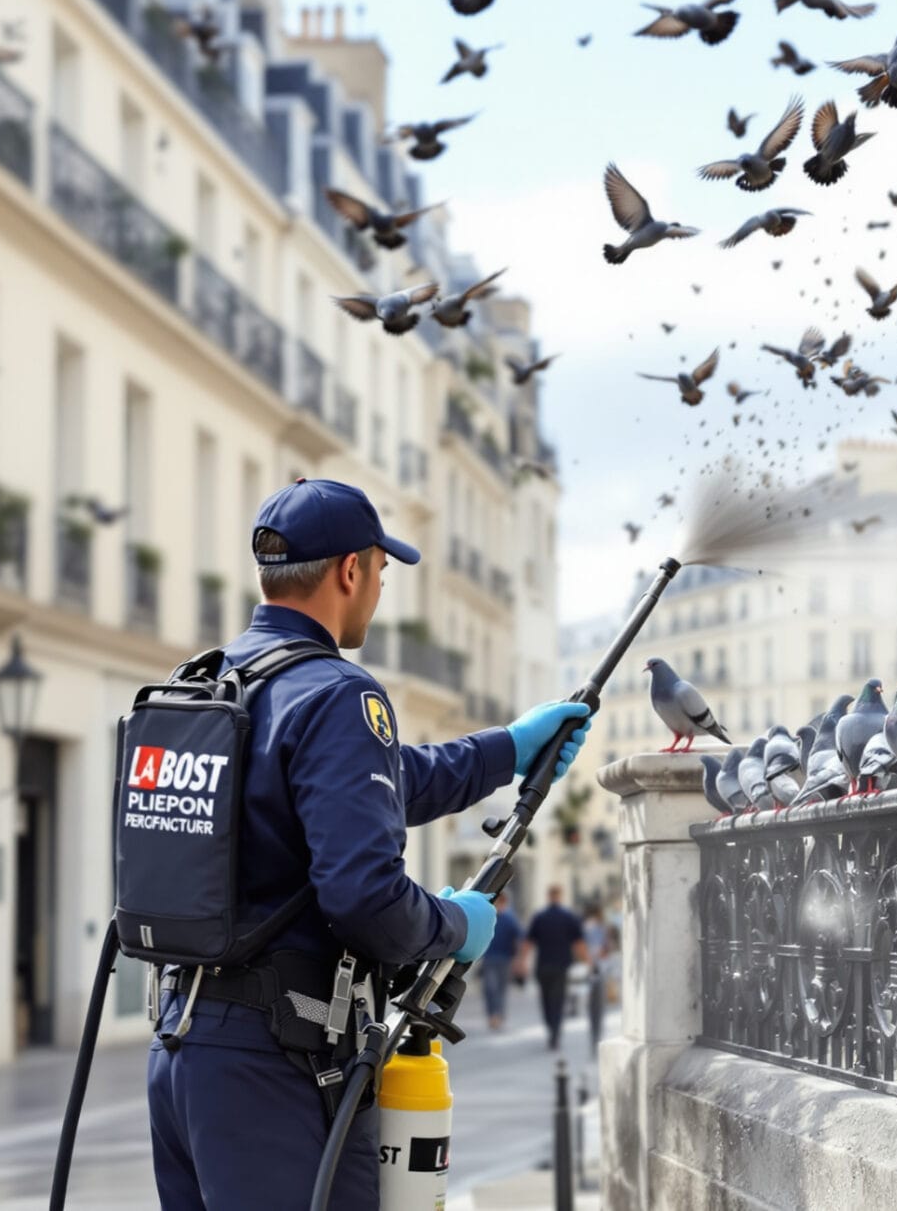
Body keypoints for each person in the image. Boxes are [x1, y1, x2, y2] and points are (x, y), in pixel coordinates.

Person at [146, 479, 594, 1211]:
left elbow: (379, 779)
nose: (382, 586)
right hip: (274, 1066)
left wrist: (508, 749)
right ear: (350, 570)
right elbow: (365, 898)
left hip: (181, 1051)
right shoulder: (336, 693)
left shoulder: (213, 683)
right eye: (383, 570)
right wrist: (455, 924)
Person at [524, 886, 588, 1052]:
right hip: (561, 966)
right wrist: (588, 961)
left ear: (548, 896)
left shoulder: (540, 917)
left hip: (543, 966)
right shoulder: (568, 917)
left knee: (546, 1001)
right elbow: (578, 943)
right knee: (558, 1001)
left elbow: (529, 942)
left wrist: (521, 961)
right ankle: (555, 1032)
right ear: (560, 896)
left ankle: (551, 1028)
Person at [481, 891, 524, 1032]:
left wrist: (518, 960)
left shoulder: (510, 919)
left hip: (505, 959)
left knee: (500, 989)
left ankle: (498, 1015)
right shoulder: (488, 917)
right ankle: (492, 1015)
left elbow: (519, 939)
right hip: (489, 957)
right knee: (489, 988)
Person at [581, 905, 610, 1053]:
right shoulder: (600, 928)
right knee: (598, 1008)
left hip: (588, 970)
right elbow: (606, 950)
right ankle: (596, 1038)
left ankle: (594, 1038)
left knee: (592, 1008)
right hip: (598, 970)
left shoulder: (584, 928)